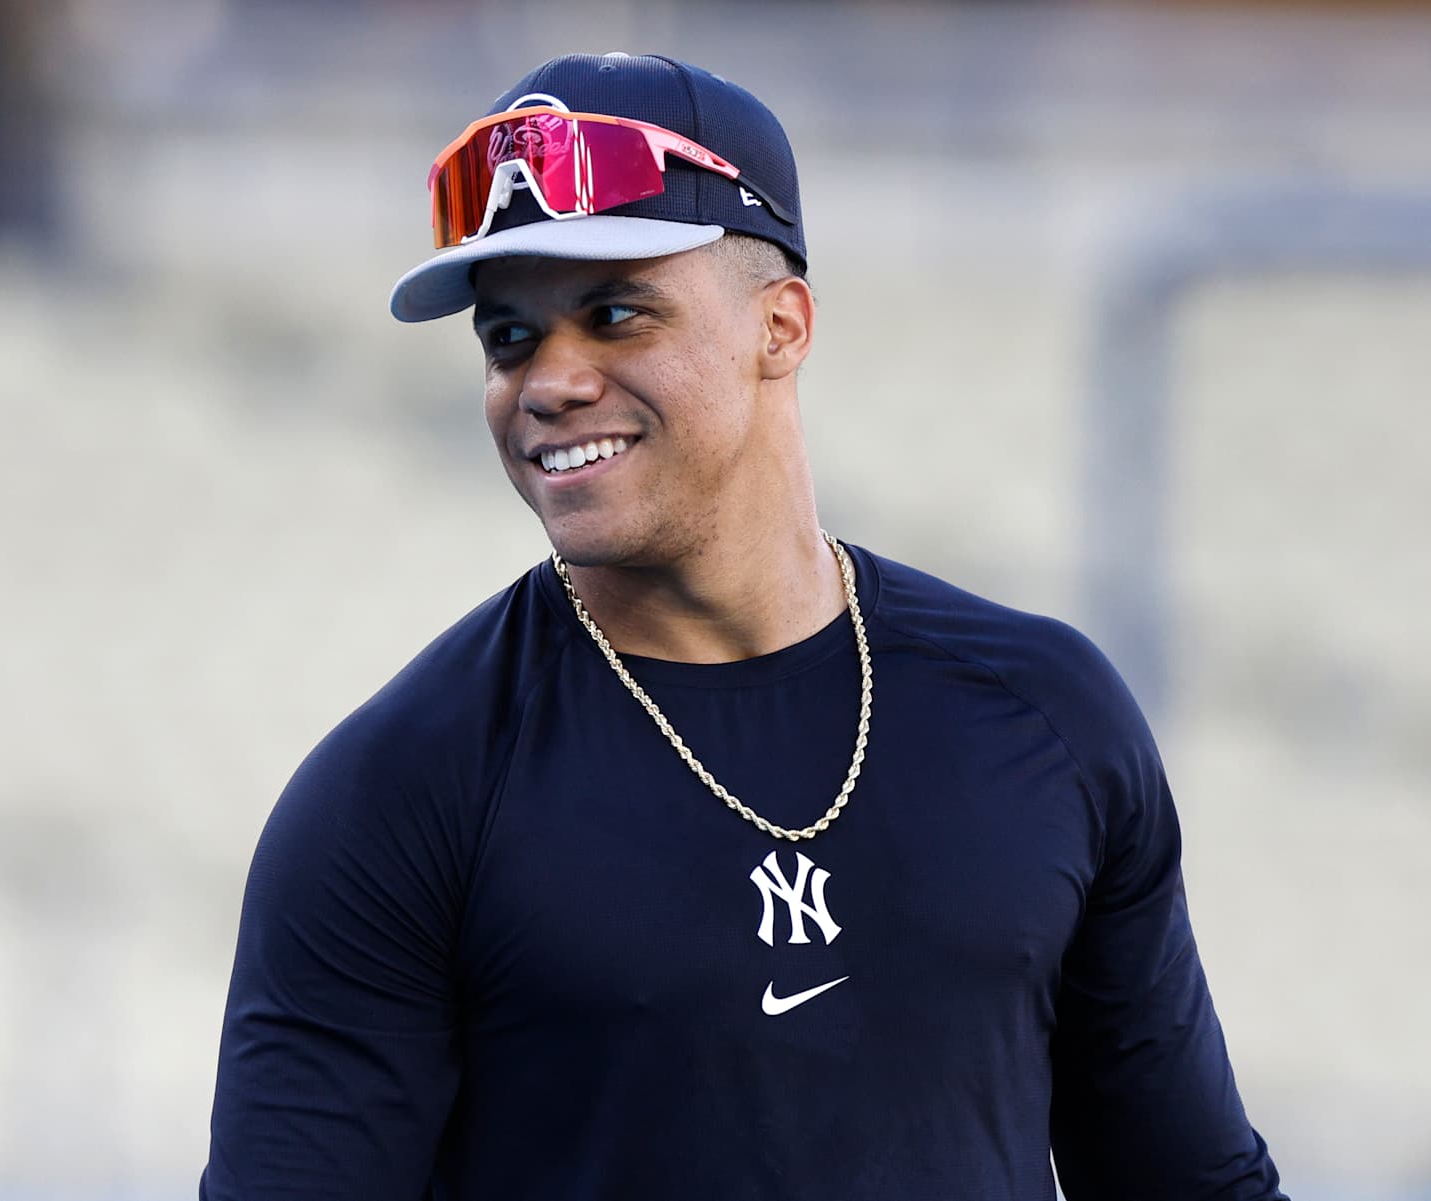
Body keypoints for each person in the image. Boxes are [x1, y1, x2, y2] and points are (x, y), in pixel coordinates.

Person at [199, 52, 1287, 1201]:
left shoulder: (1046, 714)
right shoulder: (399, 794)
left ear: (783, 325)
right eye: (509, 339)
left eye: (614, 315)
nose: (548, 382)